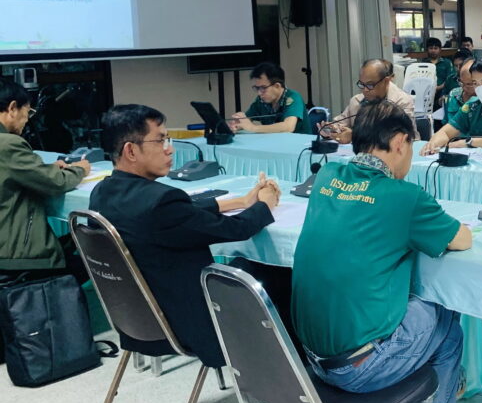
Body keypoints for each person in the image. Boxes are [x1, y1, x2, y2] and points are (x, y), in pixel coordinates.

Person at [292, 101, 471, 403]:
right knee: (447, 319)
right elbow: (462, 240)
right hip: (360, 368)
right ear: (400, 142)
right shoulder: (404, 196)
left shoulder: (326, 176)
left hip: (307, 359)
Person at [90, 104, 280, 367]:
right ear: (131, 150)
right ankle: (295, 374)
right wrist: (265, 204)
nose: (170, 149)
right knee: (276, 273)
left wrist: (240, 202)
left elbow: (180, 215)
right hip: (192, 323)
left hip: (141, 322)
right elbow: (237, 229)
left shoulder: (102, 192)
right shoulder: (162, 202)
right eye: (160, 140)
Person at [0, 79, 91, 285]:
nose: (27, 120)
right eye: (28, 112)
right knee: (93, 262)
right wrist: (80, 169)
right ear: (12, 108)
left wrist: (46, 169)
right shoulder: (8, 143)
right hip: (17, 256)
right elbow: (56, 182)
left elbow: (12, 173)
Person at [325, 59, 417, 144]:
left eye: (370, 85)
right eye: (362, 84)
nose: (365, 90)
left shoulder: (402, 102)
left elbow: (402, 138)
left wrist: (354, 136)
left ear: (386, 81)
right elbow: (339, 124)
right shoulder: (356, 101)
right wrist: (330, 131)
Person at [232, 62, 310, 134]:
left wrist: (253, 128)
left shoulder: (293, 97)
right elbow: (247, 119)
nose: (259, 93)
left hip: (300, 143)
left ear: (277, 86)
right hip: (275, 142)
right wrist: (238, 124)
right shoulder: (261, 100)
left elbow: (288, 127)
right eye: (257, 88)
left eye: (263, 88)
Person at [444, 58, 476, 124]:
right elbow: (447, 123)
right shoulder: (453, 95)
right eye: (461, 82)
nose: (464, 88)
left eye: (469, 84)